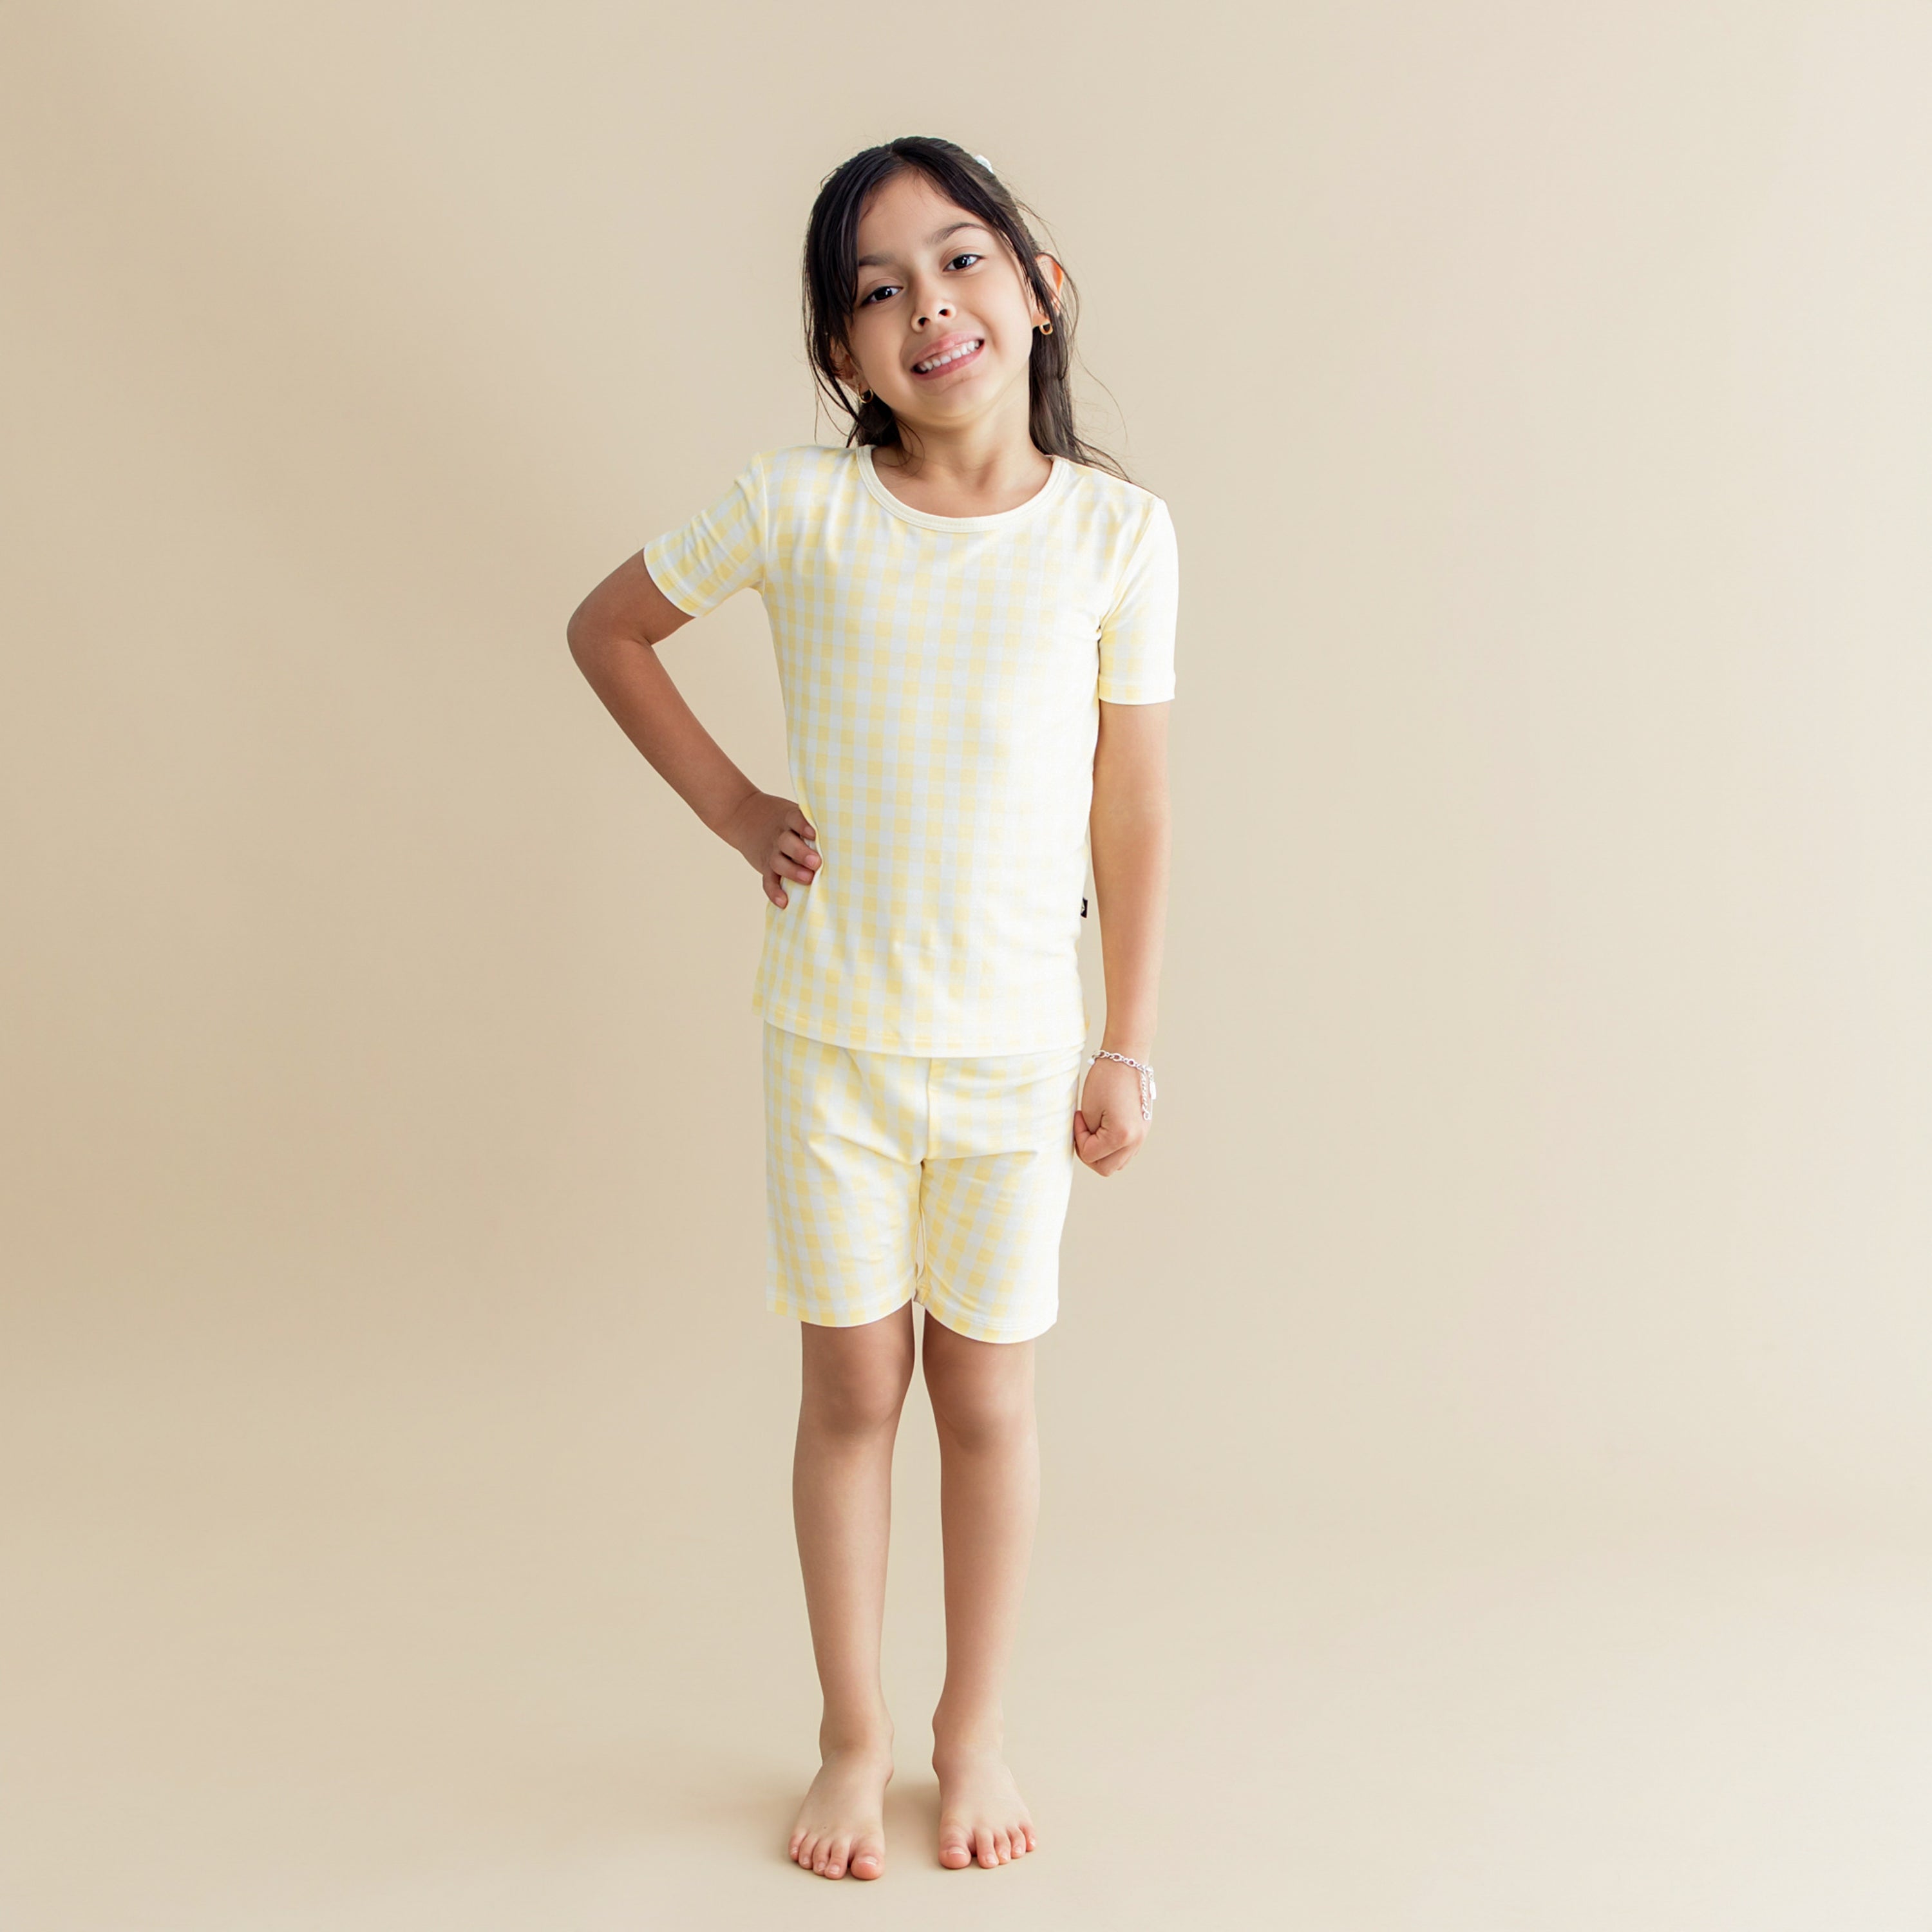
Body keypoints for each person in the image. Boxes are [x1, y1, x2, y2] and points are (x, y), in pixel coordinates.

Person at [565, 135, 1177, 1882]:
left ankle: (965, 1732)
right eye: (879, 288)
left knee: (988, 1406)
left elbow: (1133, 804)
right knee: (851, 1396)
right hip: (829, 1046)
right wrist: (735, 809)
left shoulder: (1118, 538)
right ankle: (847, 1736)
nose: (931, 306)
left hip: (1012, 1058)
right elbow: (610, 629)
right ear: (844, 356)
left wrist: (1125, 1035)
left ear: (1038, 290)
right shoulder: (797, 504)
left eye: (963, 259)